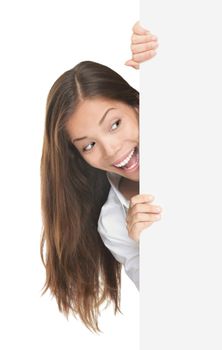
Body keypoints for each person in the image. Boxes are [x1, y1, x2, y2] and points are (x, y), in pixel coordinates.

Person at [40, 21, 162, 333]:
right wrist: (151, 244)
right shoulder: (112, 221)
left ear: (137, 104)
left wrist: (165, 55)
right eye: (89, 145)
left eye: (115, 124)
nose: (111, 150)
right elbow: (171, 304)